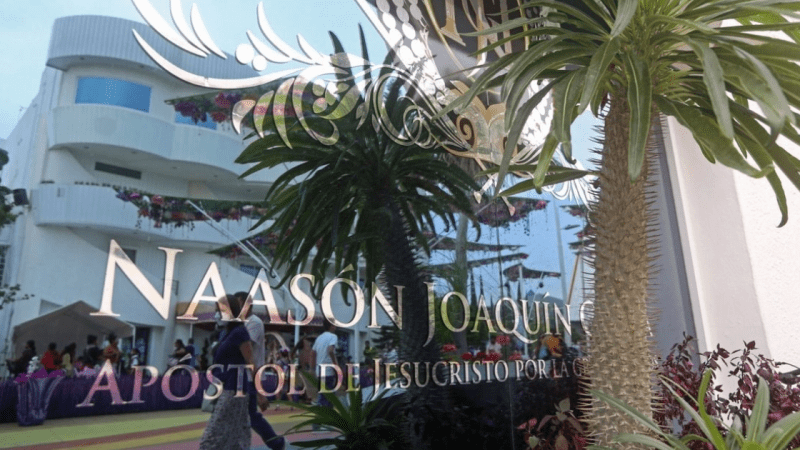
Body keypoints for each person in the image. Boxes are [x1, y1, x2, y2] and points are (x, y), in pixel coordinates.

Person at [199, 294, 271, 450]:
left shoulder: (239, 332)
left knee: (212, 436)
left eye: (220, 310)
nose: (217, 314)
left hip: (233, 389)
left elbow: (250, 362)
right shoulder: (228, 333)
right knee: (238, 435)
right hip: (227, 387)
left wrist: (259, 393)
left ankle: (278, 444)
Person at [239, 291, 286, 450]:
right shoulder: (242, 323)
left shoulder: (254, 323)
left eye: (238, 303)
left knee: (251, 416)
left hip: (249, 377)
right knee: (245, 416)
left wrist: (259, 392)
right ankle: (276, 443)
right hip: (241, 377)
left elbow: (247, 351)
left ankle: (277, 443)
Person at [312, 320, 338, 420]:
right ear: (331, 326)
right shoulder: (333, 337)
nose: (335, 326)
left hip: (319, 370)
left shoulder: (319, 338)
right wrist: (335, 364)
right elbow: (330, 350)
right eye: (334, 325)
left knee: (323, 395)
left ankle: (321, 419)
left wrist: (313, 367)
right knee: (329, 397)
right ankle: (324, 420)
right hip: (328, 370)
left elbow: (313, 353)